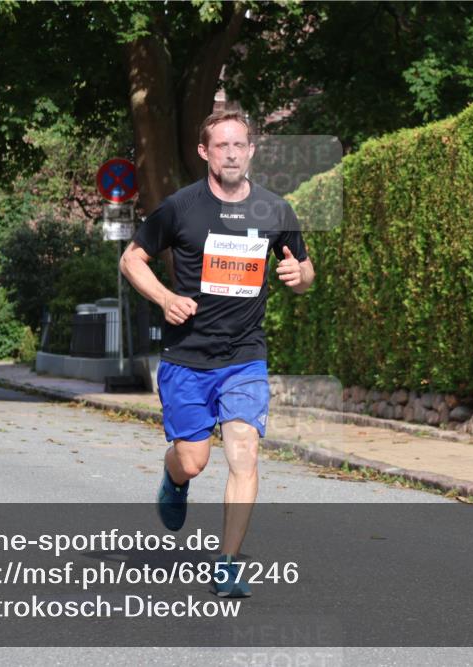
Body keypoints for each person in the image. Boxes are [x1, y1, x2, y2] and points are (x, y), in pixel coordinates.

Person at [120, 109, 315, 598]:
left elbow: (305, 269)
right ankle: (174, 478)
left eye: (239, 145)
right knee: (193, 460)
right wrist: (165, 297)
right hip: (187, 357)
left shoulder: (275, 210)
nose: (231, 154)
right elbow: (131, 259)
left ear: (251, 151)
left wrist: (301, 277)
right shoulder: (180, 207)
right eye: (222, 146)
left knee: (244, 453)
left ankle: (226, 564)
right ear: (205, 152)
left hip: (245, 356)